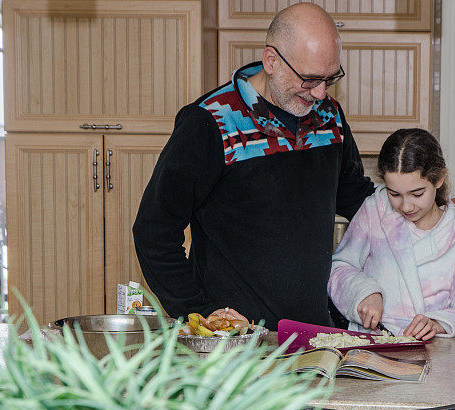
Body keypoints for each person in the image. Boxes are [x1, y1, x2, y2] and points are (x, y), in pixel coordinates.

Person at [132, 3, 374, 329]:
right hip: (238, 344)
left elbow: (357, 198)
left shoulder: (330, 116)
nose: (320, 93)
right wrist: (198, 312)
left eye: (330, 79)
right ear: (271, 61)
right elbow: (154, 232)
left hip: (317, 336)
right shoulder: (209, 123)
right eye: (310, 79)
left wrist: (435, 220)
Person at [328, 128, 455, 340]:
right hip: (372, 350)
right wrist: (363, 292)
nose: (406, 205)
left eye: (417, 193)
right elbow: (339, 267)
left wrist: (438, 323)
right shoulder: (374, 210)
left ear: (438, 179)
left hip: (435, 356)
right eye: (394, 194)